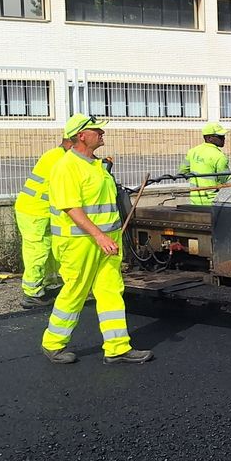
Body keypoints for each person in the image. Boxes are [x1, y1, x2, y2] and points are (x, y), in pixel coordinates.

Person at [40, 113, 152, 365]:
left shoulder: (96, 165)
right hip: (79, 243)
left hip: (106, 242)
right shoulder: (66, 166)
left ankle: (117, 347)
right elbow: (72, 208)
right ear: (81, 136)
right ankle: (53, 344)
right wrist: (99, 236)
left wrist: (109, 237)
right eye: (96, 130)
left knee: (111, 291)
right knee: (75, 291)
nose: (102, 133)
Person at [15, 132, 72, 308]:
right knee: (37, 251)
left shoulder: (57, 155)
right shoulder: (60, 159)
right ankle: (31, 293)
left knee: (50, 249)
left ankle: (49, 284)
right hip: (34, 212)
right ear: (71, 143)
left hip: (41, 211)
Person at [180, 122, 231, 206]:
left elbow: (182, 171)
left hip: (195, 199)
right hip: (213, 202)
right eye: (220, 136)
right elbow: (226, 180)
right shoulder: (219, 156)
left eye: (223, 136)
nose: (223, 138)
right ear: (209, 138)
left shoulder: (192, 151)